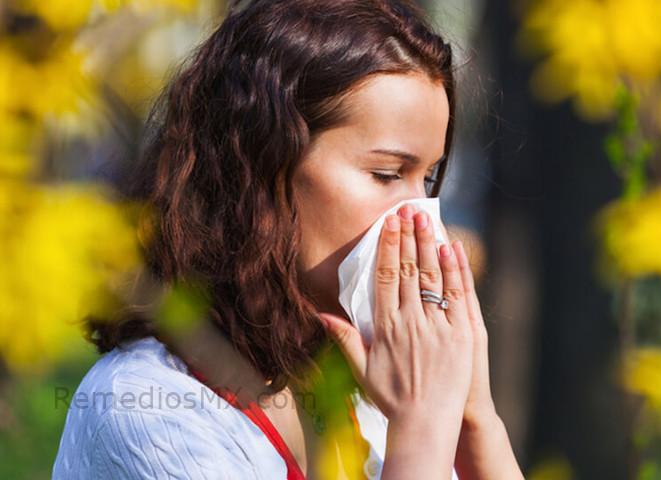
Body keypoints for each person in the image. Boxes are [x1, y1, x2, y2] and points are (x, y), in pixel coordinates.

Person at [53, 0, 524, 478]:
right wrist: (420, 429)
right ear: (261, 166)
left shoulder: (369, 384)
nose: (422, 221)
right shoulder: (147, 409)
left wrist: (473, 419)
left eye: (427, 179)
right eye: (386, 174)